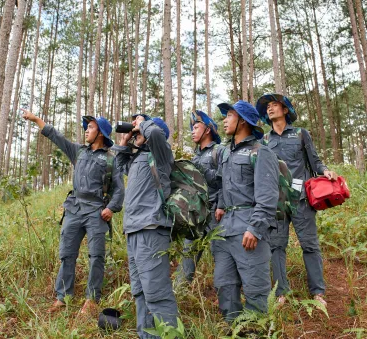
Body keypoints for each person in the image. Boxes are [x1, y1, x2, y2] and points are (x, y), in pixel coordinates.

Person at [21, 109, 125, 314]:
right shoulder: (78, 151)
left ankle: (91, 299)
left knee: (96, 256)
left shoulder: (111, 160)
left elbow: (119, 190)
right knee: (67, 254)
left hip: (96, 211)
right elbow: (56, 137)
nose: (86, 131)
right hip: (74, 209)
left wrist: (111, 209)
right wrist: (36, 119)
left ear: (101, 133)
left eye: (91, 127)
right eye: (86, 127)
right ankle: (63, 297)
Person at [255, 93, 338, 307]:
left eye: (275, 105)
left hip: (301, 199)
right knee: (276, 246)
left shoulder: (301, 134)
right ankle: (281, 293)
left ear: (285, 110)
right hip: (277, 203)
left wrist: (325, 171)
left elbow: (315, 160)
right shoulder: (264, 140)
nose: (270, 109)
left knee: (310, 245)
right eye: (268, 107)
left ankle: (317, 293)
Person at [112, 114, 179, 339]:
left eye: (140, 130)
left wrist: (143, 122)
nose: (136, 132)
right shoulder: (139, 158)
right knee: (140, 293)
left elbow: (158, 133)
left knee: (157, 293)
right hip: (133, 231)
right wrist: (124, 143)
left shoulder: (160, 154)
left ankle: (169, 335)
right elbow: (119, 166)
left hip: (151, 229)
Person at [213, 100, 279, 322]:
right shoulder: (225, 154)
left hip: (248, 230)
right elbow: (223, 185)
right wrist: (220, 206)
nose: (224, 120)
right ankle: (234, 328)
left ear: (243, 121)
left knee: (256, 289)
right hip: (224, 232)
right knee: (224, 285)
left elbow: (268, 195)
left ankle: (256, 331)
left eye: (230, 115)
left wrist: (255, 227)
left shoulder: (261, 152)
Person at [175, 110, 224, 284]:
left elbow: (225, 181)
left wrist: (221, 206)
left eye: (197, 127)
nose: (193, 131)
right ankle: (179, 292)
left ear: (208, 129)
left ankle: (225, 293)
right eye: (192, 128)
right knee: (189, 255)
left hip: (216, 213)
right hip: (196, 214)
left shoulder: (219, 151)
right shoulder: (195, 156)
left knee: (221, 256)